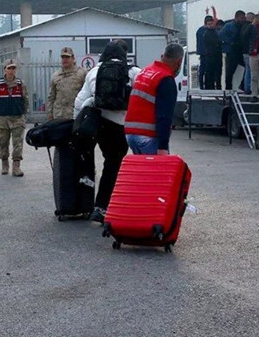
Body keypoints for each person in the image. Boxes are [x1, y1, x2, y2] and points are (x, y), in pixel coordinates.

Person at [73, 40, 131, 223]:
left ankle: (84, 203)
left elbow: (79, 101)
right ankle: (104, 206)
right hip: (118, 124)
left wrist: (77, 125)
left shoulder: (94, 72)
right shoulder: (132, 72)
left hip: (95, 124)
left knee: (87, 163)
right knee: (113, 164)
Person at [125, 43, 184, 155]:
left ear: (162, 56)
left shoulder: (145, 71)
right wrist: (163, 146)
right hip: (148, 136)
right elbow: (164, 115)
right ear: (179, 62)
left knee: (144, 172)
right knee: (158, 172)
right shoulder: (165, 79)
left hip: (131, 134)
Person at [0, 58, 29, 177]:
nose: (11, 71)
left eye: (13, 68)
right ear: (4, 70)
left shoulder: (21, 84)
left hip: (17, 117)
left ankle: (16, 167)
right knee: (3, 143)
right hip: (1, 118)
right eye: (9, 68)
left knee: (18, 143)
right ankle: (4, 164)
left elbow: (25, 100)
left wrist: (23, 113)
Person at [46, 46, 86, 120]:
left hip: (75, 115)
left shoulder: (81, 74)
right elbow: (51, 97)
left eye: (67, 57)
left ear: (73, 58)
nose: (65, 60)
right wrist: (49, 113)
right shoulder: (56, 75)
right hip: (59, 116)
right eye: (63, 57)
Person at [218, 10, 247, 91]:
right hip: (232, 53)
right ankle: (228, 91)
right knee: (229, 74)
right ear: (236, 18)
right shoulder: (229, 26)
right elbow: (220, 35)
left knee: (249, 68)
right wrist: (230, 42)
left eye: (244, 17)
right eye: (242, 17)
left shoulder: (244, 26)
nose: (243, 19)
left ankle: (243, 84)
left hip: (241, 51)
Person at [201, 15, 222, 90]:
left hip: (217, 55)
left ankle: (218, 86)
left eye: (211, 24)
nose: (210, 26)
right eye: (208, 24)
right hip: (210, 55)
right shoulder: (205, 33)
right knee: (210, 72)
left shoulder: (215, 32)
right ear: (206, 24)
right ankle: (210, 87)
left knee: (218, 72)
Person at [239, 11, 256, 94]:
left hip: (244, 52)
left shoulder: (242, 27)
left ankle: (245, 87)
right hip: (249, 52)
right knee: (250, 71)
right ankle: (248, 89)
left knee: (247, 70)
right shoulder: (250, 27)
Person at [195, 16, 212, 89]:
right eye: (209, 24)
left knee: (203, 70)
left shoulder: (200, 31)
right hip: (205, 53)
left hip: (203, 53)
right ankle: (204, 86)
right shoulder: (203, 31)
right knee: (205, 70)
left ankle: (203, 85)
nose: (210, 25)